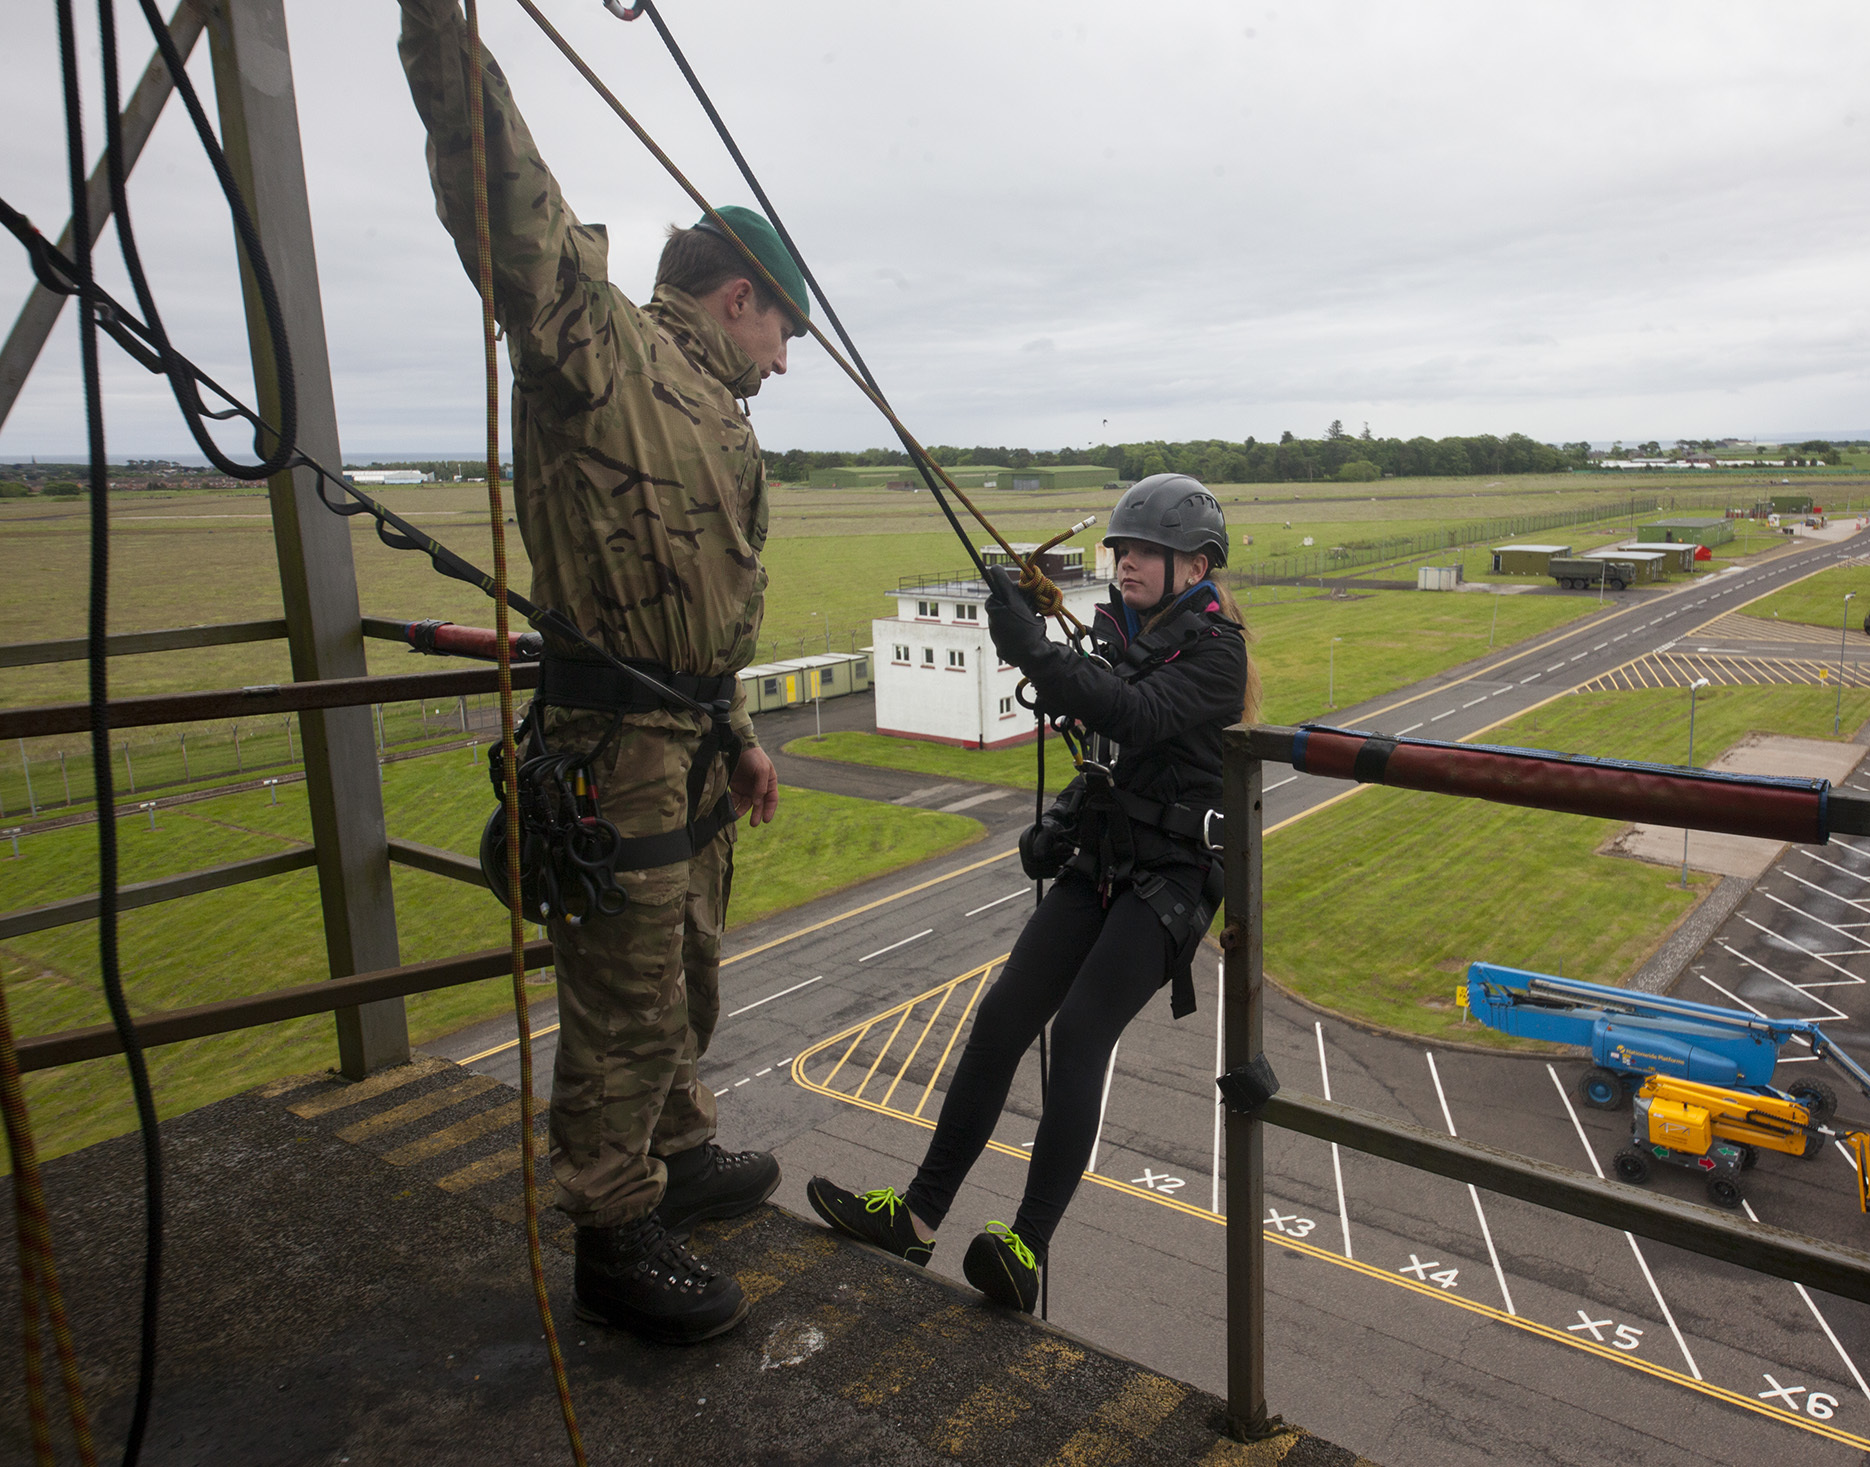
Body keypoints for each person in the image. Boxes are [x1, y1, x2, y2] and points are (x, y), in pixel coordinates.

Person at [397, 0, 803, 1343]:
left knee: (685, 963)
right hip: (609, 738)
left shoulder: (717, 418)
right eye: (782, 328)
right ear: (737, 297)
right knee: (623, 991)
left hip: (684, 735)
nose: (786, 358)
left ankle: (678, 1151)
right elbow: (504, 193)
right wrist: (436, 24)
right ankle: (614, 1229)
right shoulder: (602, 352)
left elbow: (710, 603)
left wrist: (736, 726)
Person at [806, 475, 1257, 1310]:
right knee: (1004, 1017)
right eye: (1120, 549)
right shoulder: (1124, 629)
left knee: (1081, 1033)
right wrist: (1065, 818)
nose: (1124, 564)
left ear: (1195, 563)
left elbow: (1129, 713)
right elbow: (1106, 745)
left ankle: (1026, 1244)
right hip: (1105, 858)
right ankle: (919, 1214)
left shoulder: (1216, 653)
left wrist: (1029, 649)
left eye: (1144, 552)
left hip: (1171, 882)